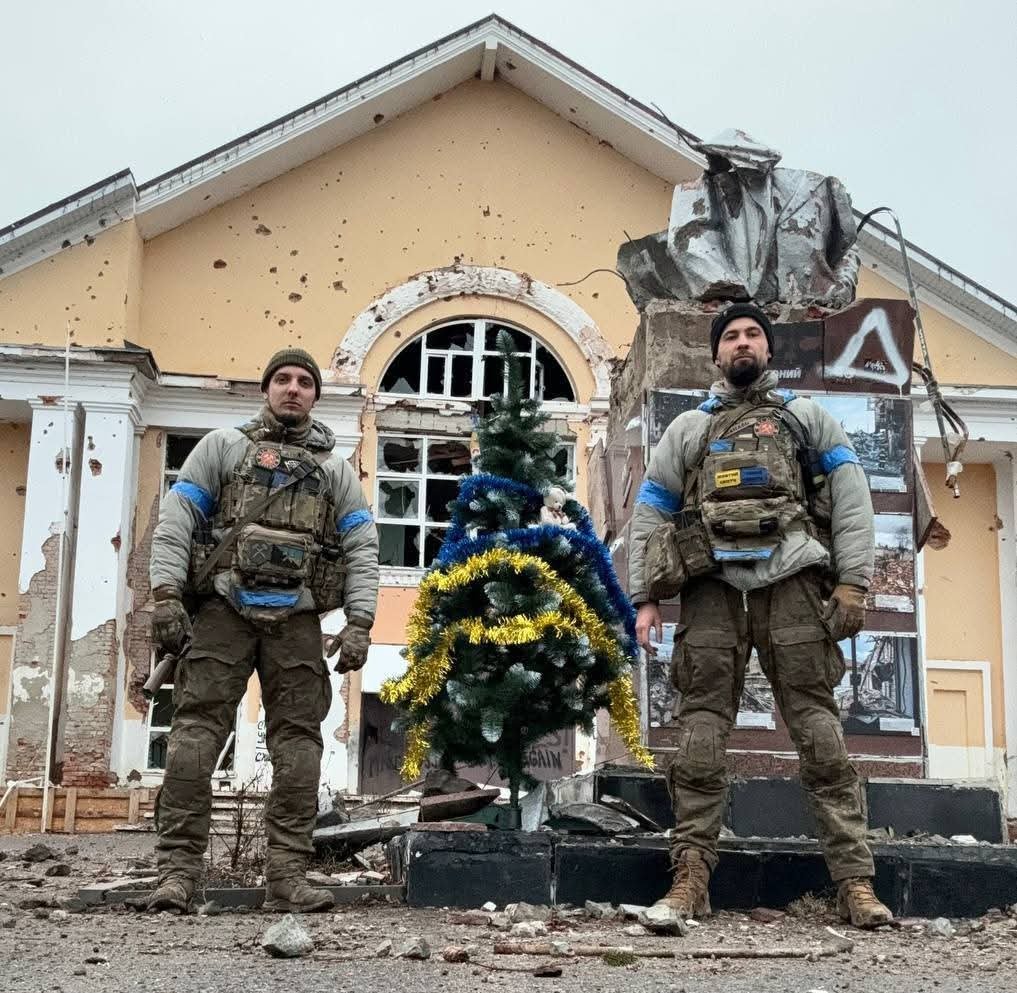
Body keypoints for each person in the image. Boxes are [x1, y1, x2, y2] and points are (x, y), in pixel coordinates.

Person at [628, 303, 892, 929]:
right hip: (711, 591)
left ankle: (855, 884)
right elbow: (652, 512)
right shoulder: (689, 429)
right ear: (716, 354)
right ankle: (691, 879)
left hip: (794, 585)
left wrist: (853, 583)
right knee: (698, 740)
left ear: (769, 350)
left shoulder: (807, 419)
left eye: (752, 335)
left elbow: (852, 499)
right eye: (730, 337)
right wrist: (645, 598)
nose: (742, 343)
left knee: (822, 738)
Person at [146, 347, 379, 913]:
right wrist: (166, 595)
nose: (293, 388)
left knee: (298, 746)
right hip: (221, 612)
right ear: (266, 388)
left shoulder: (334, 471)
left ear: (315, 394)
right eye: (282, 379)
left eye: (304, 381)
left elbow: (361, 545)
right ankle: (177, 875)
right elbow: (176, 520)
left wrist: (360, 622)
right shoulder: (222, 448)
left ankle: (287, 877)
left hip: (297, 619)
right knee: (194, 738)